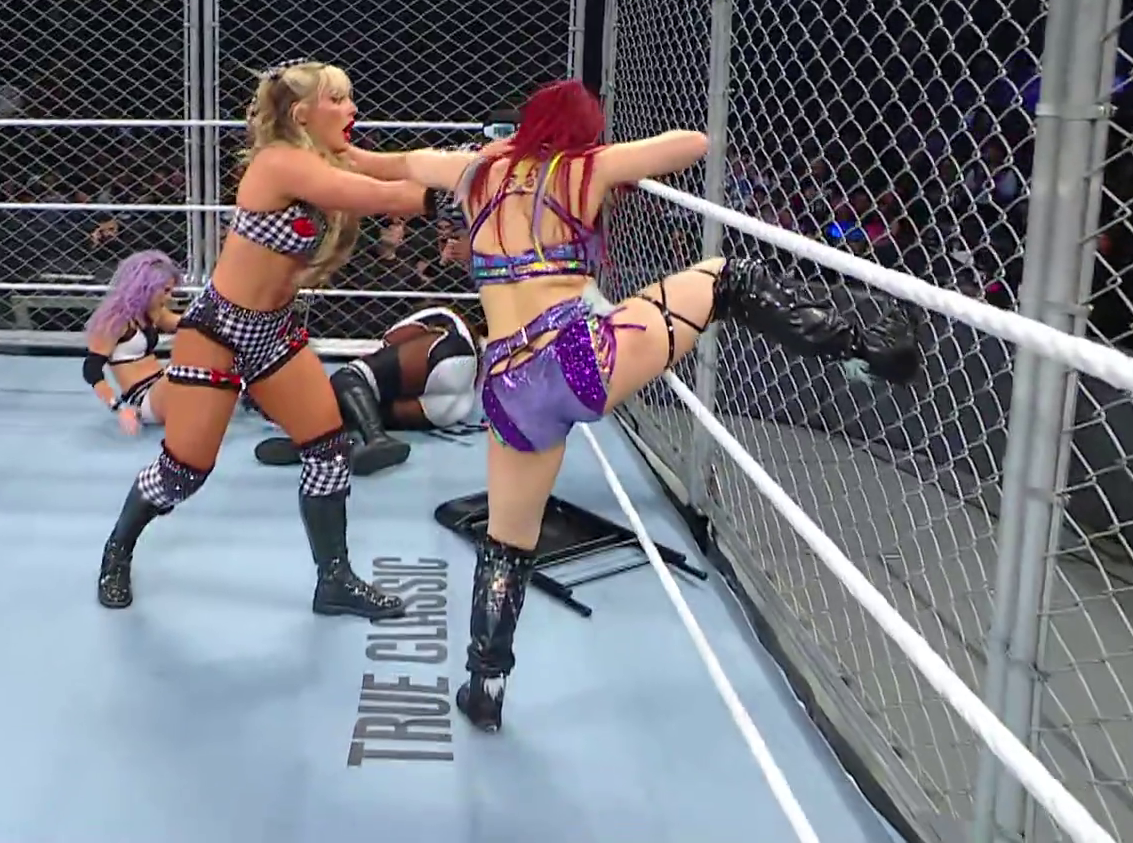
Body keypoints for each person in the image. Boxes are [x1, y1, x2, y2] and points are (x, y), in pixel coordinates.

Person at [377, 79, 921, 732]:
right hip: (576, 359)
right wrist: (607, 160)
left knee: (507, 541)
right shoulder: (580, 168)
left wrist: (349, 153)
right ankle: (866, 352)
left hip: (509, 385)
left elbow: (398, 163)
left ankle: (484, 685)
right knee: (724, 279)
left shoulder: (475, 172)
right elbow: (691, 144)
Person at [95, 59, 435, 620]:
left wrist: (485, 166)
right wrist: (472, 193)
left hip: (274, 332)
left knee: (328, 451)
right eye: (337, 99)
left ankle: (334, 579)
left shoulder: (328, 157)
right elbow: (384, 196)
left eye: (350, 98)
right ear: (301, 113)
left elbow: (397, 168)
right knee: (184, 470)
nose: (352, 109)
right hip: (219, 331)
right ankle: (117, 550)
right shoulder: (279, 163)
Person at [253, 304, 481, 475]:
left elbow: (391, 340)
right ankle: (325, 442)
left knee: (349, 377)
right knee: (361, 410)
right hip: (452, 409)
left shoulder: (438, 316)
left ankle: (377, 439)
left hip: (446, 355)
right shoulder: (471, 349)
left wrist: (379, 361)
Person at [84, 250, 184, 435]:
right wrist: (119, 408)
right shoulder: (114, 320)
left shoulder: (153, 311)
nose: (169, 297)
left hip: (162, 384)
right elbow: (91, 369)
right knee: (188, 361)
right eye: (165, 291)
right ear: (147, 288)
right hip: (144, 398)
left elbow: (187, 324)